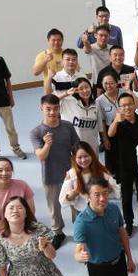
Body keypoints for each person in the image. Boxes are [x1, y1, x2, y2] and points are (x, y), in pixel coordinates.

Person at [29, 94, 80, 248]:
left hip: (70, 174)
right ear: (41, 109)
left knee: (77, 203)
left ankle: (80, 229)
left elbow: (77, 149)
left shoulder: (67, 126)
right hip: (50, 175)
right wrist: (47, 144)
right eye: (48, 109)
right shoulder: (36, 132)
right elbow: (41, 156)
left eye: (56, 108)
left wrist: (75, 171)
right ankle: (58, 232)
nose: (52, 112)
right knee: (54, 208)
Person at [107, 93, 138, 236]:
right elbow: (110, 134)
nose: (127, 107)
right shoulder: (118, 122)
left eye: (129, 104)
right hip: (123, 164)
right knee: (126, 196)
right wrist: (116, 120)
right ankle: (129, 222)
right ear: (119, 108)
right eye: (123, 105)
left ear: (134, 105)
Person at [60, 141, 119, 221]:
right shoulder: (72, 174)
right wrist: (73, 194)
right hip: (81, 212)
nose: (83, 160)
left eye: (86, 156)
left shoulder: (100, 172)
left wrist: (108, 188)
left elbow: (115, 191)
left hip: (100, 211)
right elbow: (63, 199)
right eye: (79, 157)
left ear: (91, 155)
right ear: (74, 158)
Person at [96, 70, 138, 174]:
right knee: (114, 162)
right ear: (102, 84)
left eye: (111, 83)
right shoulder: (99, 101)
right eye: (105, 83)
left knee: (131, 157)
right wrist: (105, 139)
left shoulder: (124, 92)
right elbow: (101, 121)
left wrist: (128, 90)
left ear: (117, 82)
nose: (108, 86)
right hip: (111, 132)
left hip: (128, 129)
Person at [0, 157, 35, 235]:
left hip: (26, 226)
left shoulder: (23, 185)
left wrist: (22, 228)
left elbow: (31, 211)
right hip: (4, 231)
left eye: (8, 170)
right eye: (0, 170)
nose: (4, 173)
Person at [54, 77, 102, 151]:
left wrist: (104, 139)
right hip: (74, 146)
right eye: (81, 89)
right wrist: (66, 93)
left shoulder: (96, 104)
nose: (85, 90)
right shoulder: (68, 103)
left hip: (92, 144)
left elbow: (100, 125)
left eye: (87, 87)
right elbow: (50, 101)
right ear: (76, 91)